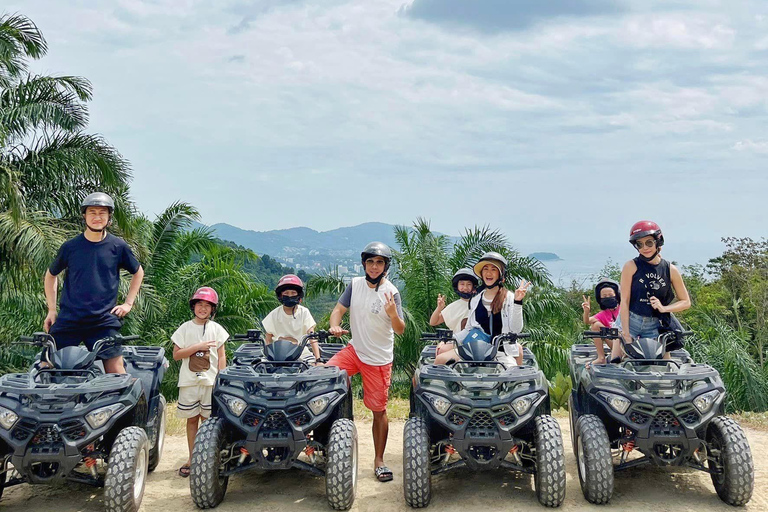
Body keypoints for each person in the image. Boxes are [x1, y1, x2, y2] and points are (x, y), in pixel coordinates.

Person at [326, 242, 405, 483]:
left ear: (385, 266)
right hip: (354, 350)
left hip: (378, 360)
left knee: (378, 410)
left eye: (379, 262)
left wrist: (392, 314)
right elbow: (338, 309)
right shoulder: (355, 285)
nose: (373, 266)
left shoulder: (391, 292)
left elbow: (400, 330)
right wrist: (334, 324)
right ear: (364, 264)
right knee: (324, 379)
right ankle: (322, 445)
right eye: (370, 262)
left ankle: (379, 461)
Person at [43, 192, 144, 374]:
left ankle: (135, 403)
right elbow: (51, 275)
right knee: (45, 365)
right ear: (84, 215)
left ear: (109, 216)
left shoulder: (118, 247)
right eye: (92, 212)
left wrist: (128, 303)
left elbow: (138, 272)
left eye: (102, 213)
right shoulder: (70, 247)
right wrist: (52, 310)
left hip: (103, 320)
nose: (97, 217)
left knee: (115, 370)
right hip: (69, 319)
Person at [435, 252, 530, 367]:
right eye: (485, 269)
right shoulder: (475, 300)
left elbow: (516, 329)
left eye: (494, 269)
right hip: (474, 350)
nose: (489, 273)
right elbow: (469, 329)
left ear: (501, 275)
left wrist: (518, 302)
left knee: (511, 373)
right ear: (481, 273)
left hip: (500, 352)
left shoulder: (509, 298)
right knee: (440, 360)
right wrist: (450, 338)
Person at [172, 287, 229, 477]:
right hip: (189, 382)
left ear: (213, 309)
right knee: (191, 420)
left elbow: (222, 356)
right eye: (199, 304)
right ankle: (191, 457)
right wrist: (198, 347)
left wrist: (221, 378)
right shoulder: (185, 328)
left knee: (208, 421)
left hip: (209, 382)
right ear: (193, 307)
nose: (203, 309)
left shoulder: (217, 329)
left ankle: (207, 457)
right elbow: (177, 355)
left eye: (207, 306)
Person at [618, 221, 691, 360]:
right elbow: (625, 301)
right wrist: (626, 334)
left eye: (649, 243)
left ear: (658, 242)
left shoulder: (670, 269)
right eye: (640, 244)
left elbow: (686, 301)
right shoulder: (631, 266)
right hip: (631, 320)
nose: (645, 248)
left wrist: (664, 308)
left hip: (655, 324)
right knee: (618, 360)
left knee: (662, 365)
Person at [262, 274, 319, 364]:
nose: (289, 296)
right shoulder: (274, 314)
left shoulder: (304, 312)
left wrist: (318, 359)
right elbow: (268, 338)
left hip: (301, 353)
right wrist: (268, 355)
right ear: (280, 295)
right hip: (276, 355)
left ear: (299, 294)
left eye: (293, 293)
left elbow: (312, 336)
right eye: (286, 293)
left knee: (312, 369)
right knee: (260, 367)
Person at [429, 268, 478, 356]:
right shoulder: (453, 307)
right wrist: (439, 308)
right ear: (457, 286)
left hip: (478, 345)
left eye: (469, 284)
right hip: (456, 345)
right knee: (440, 352)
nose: (465, 287)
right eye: (462, 284)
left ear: (473, 286)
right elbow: (433, 322)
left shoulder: (480, 304)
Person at [581, 278, 621, 365]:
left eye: (610, 295)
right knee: (595, 325)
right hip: (614, 345)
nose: (608, 298)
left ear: (616, 295)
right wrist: (586, 311)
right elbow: (587, 321)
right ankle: (601, 358)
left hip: (628, 343)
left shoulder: (624, 309)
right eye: (604, 296)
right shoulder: (603, 314)